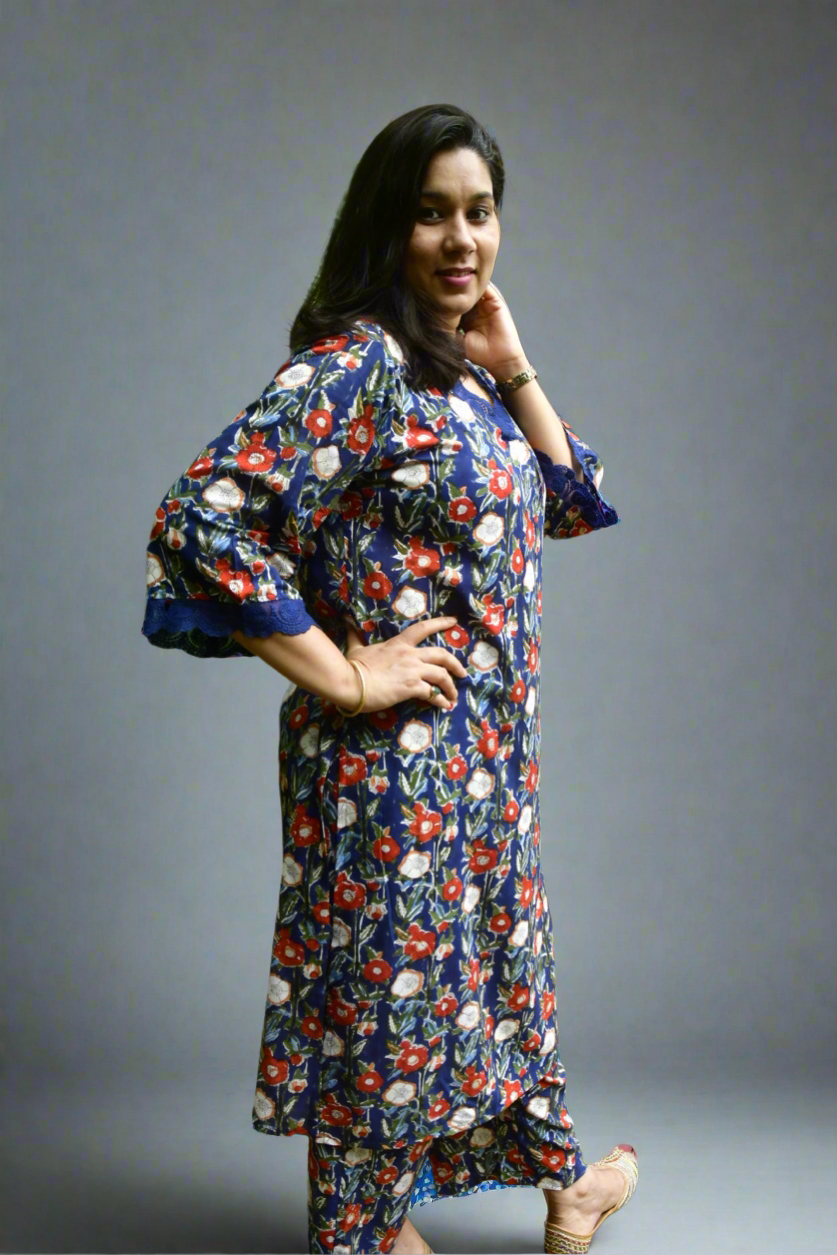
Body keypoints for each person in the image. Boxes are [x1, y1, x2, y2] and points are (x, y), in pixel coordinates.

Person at [142, 104, 639, 1255]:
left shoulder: (458, 373)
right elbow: (200, 519)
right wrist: (346, 676)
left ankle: (562, 1185)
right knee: (394, 998)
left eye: (479, 211)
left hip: (487, 763)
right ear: (387, 225)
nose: (461, 239)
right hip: (392, 771)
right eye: (430, 213)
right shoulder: (360, 362)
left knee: (497, 976)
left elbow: (568, 500)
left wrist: (514, 369)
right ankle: (365, 1232)